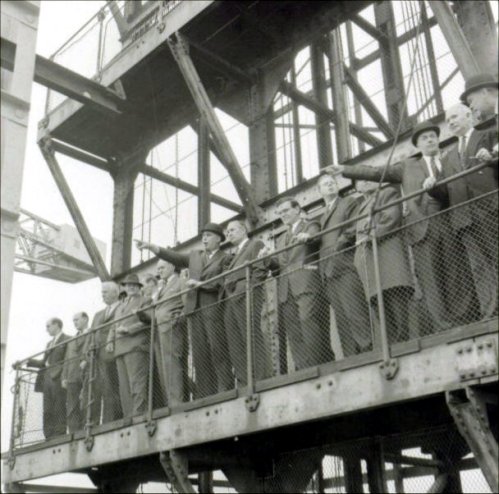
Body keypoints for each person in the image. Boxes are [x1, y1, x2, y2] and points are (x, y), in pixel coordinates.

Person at [336, 121, 453, 333]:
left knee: (455, 275)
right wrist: (344, 169)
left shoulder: (450, 156)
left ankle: (464, 318)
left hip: (451, 222)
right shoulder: (408, 166)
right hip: (422, 229)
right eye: (424, 137)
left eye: (432, 136)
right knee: (431, 282)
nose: (430, 140)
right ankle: (443, 326)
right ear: (418, 144)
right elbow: (374, 172)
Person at [136, 223, 233, 398]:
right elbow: (174, 257)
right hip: (194, 311)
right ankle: (205, 393)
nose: (204, 239)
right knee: (200, 353)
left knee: (218, 349)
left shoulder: (225, 258)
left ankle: (225, 389)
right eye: (203, 235)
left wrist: (202, 284)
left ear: (219, 239)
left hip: (214, 309)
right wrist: (152, 247)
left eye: (209, 235)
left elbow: (224, 281)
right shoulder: (195, 256)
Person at [428, 103, 498, 320]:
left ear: (469, 116)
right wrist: (432, 187)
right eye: (448, 120)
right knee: (478, 267)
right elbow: (445, 194)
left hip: (488, 209)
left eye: (455, 117)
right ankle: (491, 312)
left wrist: (493, 159)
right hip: (464, 218)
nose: (451, 122)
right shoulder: (447, 157)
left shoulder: (488, 136)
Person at [259, 197, 333, 371]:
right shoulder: (281, 238)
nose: (283, 215)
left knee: (310, 323)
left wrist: (308, 237)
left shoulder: (310, 224)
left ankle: (319, 365)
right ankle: (303, 368)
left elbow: (315, 238)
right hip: (286, 289)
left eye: (286, 210)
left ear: (297, 209)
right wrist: (267, 259)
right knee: (294, 330)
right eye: (280, 212)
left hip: (306, 283)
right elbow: (277, 266)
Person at [316, 173, 372, 355]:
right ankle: (351, 357)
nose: (330, 186)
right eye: (326, 184)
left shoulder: (348, 202)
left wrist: (339, 245)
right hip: (329, 272)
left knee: (356, 312)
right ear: (320, 191)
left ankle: (368, 352)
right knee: (342, 318)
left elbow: (352, 227)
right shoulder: (323, 215)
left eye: (332, 182)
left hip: (345, 265)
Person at [353, 182, 413, 343]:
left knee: (397, 304)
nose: (366, 182)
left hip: (389, 259)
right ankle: (393, 345)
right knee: (381, 311)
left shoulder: (387, 192)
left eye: (368, 178)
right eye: (360, 181)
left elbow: (391, 218)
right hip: (371, 265)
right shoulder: (361, 206)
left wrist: (370, 235)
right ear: (357, 188)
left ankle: (403, 344)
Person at [221, 220, 270, 386]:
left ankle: (261, 377)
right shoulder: (235, 253)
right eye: (227, 232)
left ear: (244, 230)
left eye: (232, 230)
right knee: (235, 341)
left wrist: (249, 289)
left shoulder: (255, 244)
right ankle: (244, 380)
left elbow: (260, 269)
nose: (229, 234)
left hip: (246, 295)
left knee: (251, 335)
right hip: (232, 298)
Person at [138, 259, 187, 408]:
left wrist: (178, 319)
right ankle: (169, 401)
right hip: (159, 330)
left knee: (172, 365)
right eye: (158, 269)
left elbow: (187, 303)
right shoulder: (161, 287)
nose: (159, 271)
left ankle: (176, 402)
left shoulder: (180, 281)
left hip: (172, 328)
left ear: (172, 266)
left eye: (162, 267)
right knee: (163, 367)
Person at [107, 274, 151, 418]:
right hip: (120, 348)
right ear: (125, 287)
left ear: (139, 287)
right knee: (124, 387)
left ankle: (139, 414)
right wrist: (110, 341)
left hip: (136, 346)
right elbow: (113, 326)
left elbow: (148, 321)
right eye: (128, 285)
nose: (131, 287)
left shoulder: (145, 300)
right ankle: (128, 416)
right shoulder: (120, 305)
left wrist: (129, 329)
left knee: (137, 383)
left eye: (134, 285)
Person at [81, 282, 122, 424]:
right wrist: (87, 353)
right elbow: (91, 334)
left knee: (113, 390)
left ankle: (112, 421)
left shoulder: (122, 308)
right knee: (99, 391)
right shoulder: (98, 314)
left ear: (115, 293)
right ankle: (97, 422)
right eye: (102, 292)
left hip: (113, 354)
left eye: (105, 292)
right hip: (97, 358)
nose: (102, 295)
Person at [27, 318, 70, 439]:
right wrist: (28, 362)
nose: (46, 329)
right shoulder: (49, 343)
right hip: (47, 379)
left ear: (56, 325)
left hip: (58, 377)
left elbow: (68, 359)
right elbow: (43, 362)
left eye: (48, 326)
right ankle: (48, 434)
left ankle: (59, 433)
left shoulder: (67, 339)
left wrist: (62, 374)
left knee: (59, 405)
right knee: (47, 408)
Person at [61, 312, 88, 433]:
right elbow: (67, 359)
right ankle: (73, 433)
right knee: (71, 407)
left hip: (87, 373)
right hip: (72, 376)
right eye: (73, 321)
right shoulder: (72, 340)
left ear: (85, 319)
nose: (75, 322)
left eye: (77, 319)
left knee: (87, 403)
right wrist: (64, 377)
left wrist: (86, 361)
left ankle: (85, 429)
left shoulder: (92, 333)